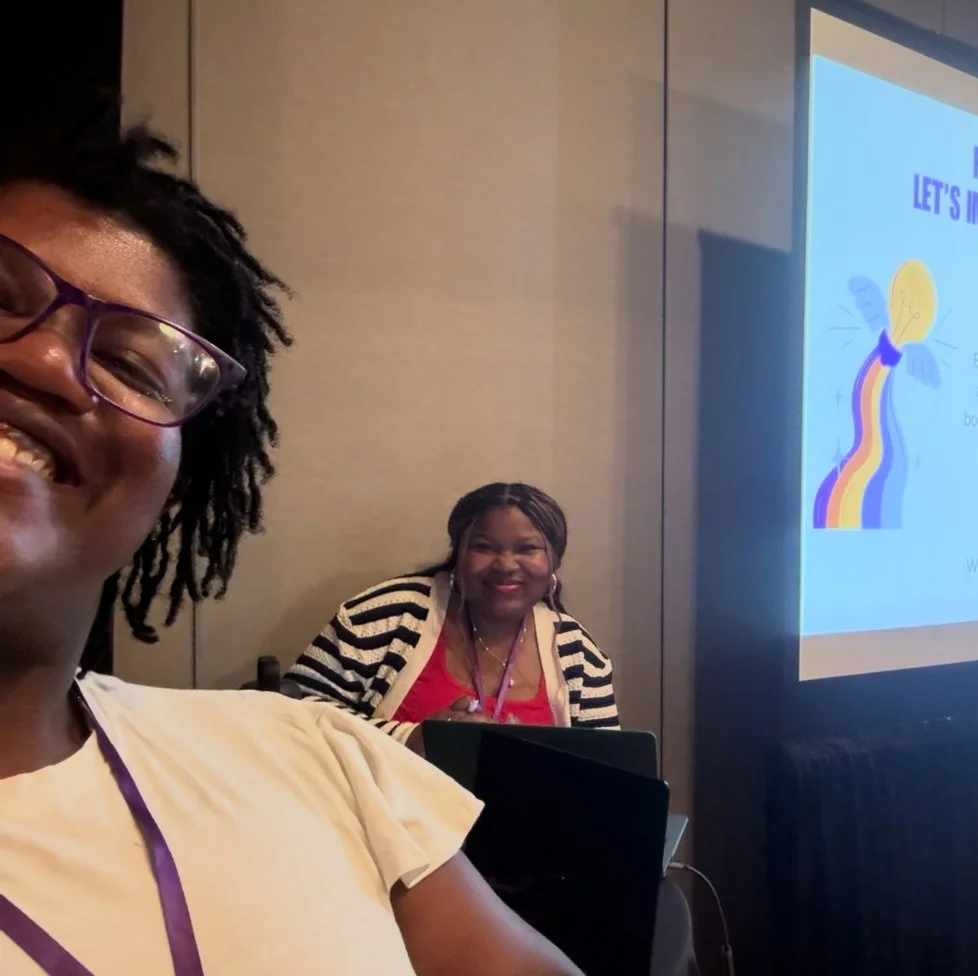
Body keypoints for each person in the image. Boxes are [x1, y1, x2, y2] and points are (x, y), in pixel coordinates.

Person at [0, 122, 580, 975]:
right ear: (457, 551)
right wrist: (414, 737)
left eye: (132, 364)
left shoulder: (313, 755)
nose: (52, 361)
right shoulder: (382, 629)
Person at [287, 482, 620, 749]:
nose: (505, 565)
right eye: (484, 546)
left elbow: (610, 771)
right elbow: (291, 714)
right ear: (457, 553)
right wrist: (415, 740)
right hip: (375, 824)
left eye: (527, 549)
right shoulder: (389, 615)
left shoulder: (576, 653)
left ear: (554, 562)